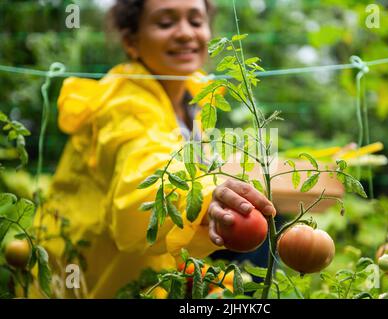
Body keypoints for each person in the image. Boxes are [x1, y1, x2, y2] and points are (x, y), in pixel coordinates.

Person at [38, 0, 276, 299]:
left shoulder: (189, 95)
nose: (186, 33)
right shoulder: (124, 102)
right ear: (131, 41)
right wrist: (203, 197)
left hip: (149, 263)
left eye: (196, 21)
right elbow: (144, 174)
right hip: (96, 275)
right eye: (166, 23)